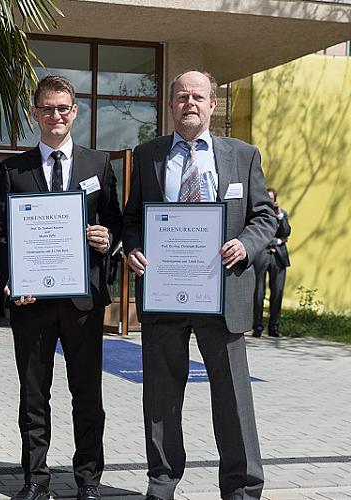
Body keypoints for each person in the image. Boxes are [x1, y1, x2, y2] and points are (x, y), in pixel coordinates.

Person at [121, 70, 276, 500]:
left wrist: (245, 244)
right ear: (171, 104)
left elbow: (264, 217)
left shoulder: (242, 155)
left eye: (198, 97)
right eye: (182, 97)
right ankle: (162, 483)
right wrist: (132, 247)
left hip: (222, 293)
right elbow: (132, 218)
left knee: (233, 399)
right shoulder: (148, 155)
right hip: (165, 294)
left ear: (212, 105)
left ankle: (242, 488)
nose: (190, 103)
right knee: (161, 398)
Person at [0, 75, 122, 500]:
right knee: (33, 395)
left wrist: (107, 239)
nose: (55, 115)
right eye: (47, 108)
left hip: (83, 299)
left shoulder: (98, 164)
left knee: (87, 394)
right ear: (35, 113)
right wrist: (13, 278)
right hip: (32, 299)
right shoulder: (13, 169)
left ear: (75, 112)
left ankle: (88, 480)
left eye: (63, 108)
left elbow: (115, 221)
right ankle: (35, 479)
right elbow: (0, 232)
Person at [252, 188, 290, 337]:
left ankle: (274, 327)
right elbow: (258, 235)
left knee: (278, 292)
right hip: (261, 255)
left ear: (275, 200)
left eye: (272, 199)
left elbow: (286, 232)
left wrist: (279, 214)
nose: (269, 201)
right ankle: (257, 327)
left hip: (279, 258)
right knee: (258, 293)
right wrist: (278, 241)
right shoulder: (258, 214)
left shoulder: (282, 214)